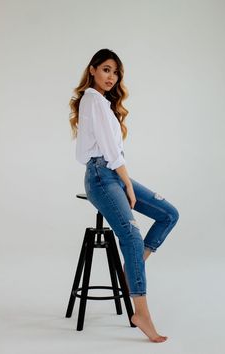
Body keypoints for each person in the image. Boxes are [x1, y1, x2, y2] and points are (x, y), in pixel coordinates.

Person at [69, 48, 179, 343]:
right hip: (101, 177)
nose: (111, 76)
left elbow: (112, 149)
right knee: (130, 234)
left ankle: (135, 265)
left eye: (115, 72)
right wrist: (128, 184)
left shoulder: (102, 103)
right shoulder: (92, 99)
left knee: (169, 214)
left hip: (112, 174)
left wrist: (125, 181)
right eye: (106, 69)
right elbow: (107, 148)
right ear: (92, 70)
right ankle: (140, 310)